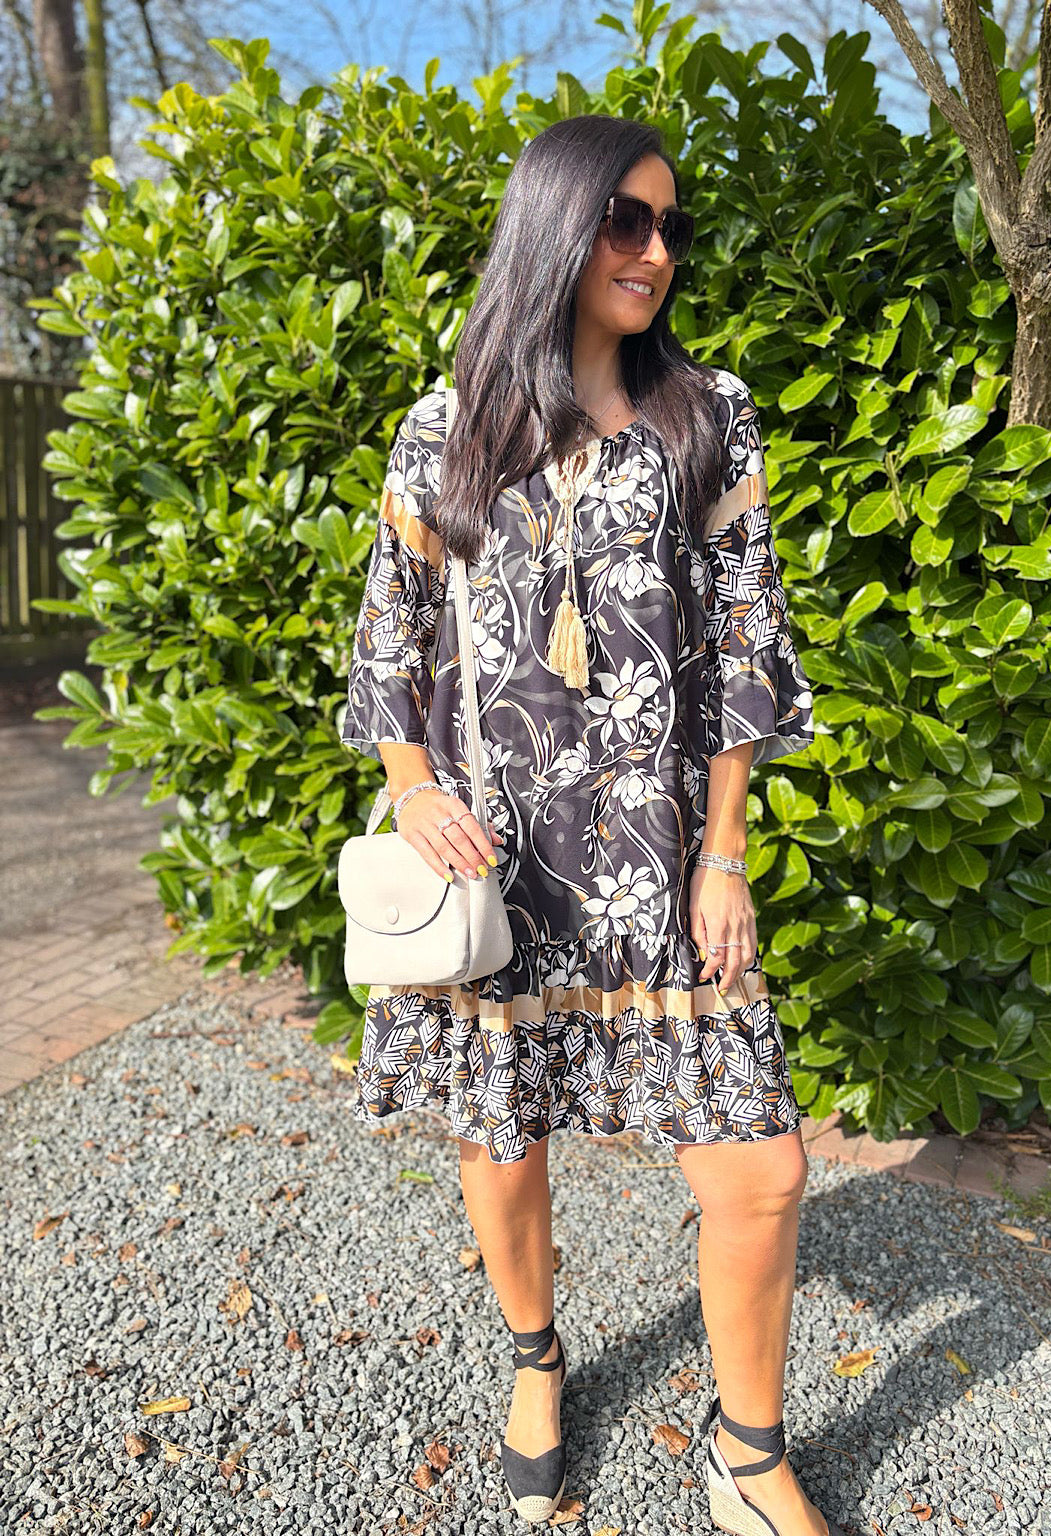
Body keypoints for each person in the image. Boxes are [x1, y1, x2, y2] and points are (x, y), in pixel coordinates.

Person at [341, 114, 836, 1536]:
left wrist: (727, 851)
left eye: (671, 227)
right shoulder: (446, 428)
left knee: (763, 1170)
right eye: (627, 219)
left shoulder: (707, 415)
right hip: (498, 868)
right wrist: (413, 787)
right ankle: (536, 1360)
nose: (656, 250)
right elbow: (393, 639)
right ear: (555, 227)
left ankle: (747, 1452)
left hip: (663, 871)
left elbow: (744, 648)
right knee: (503, 1143)